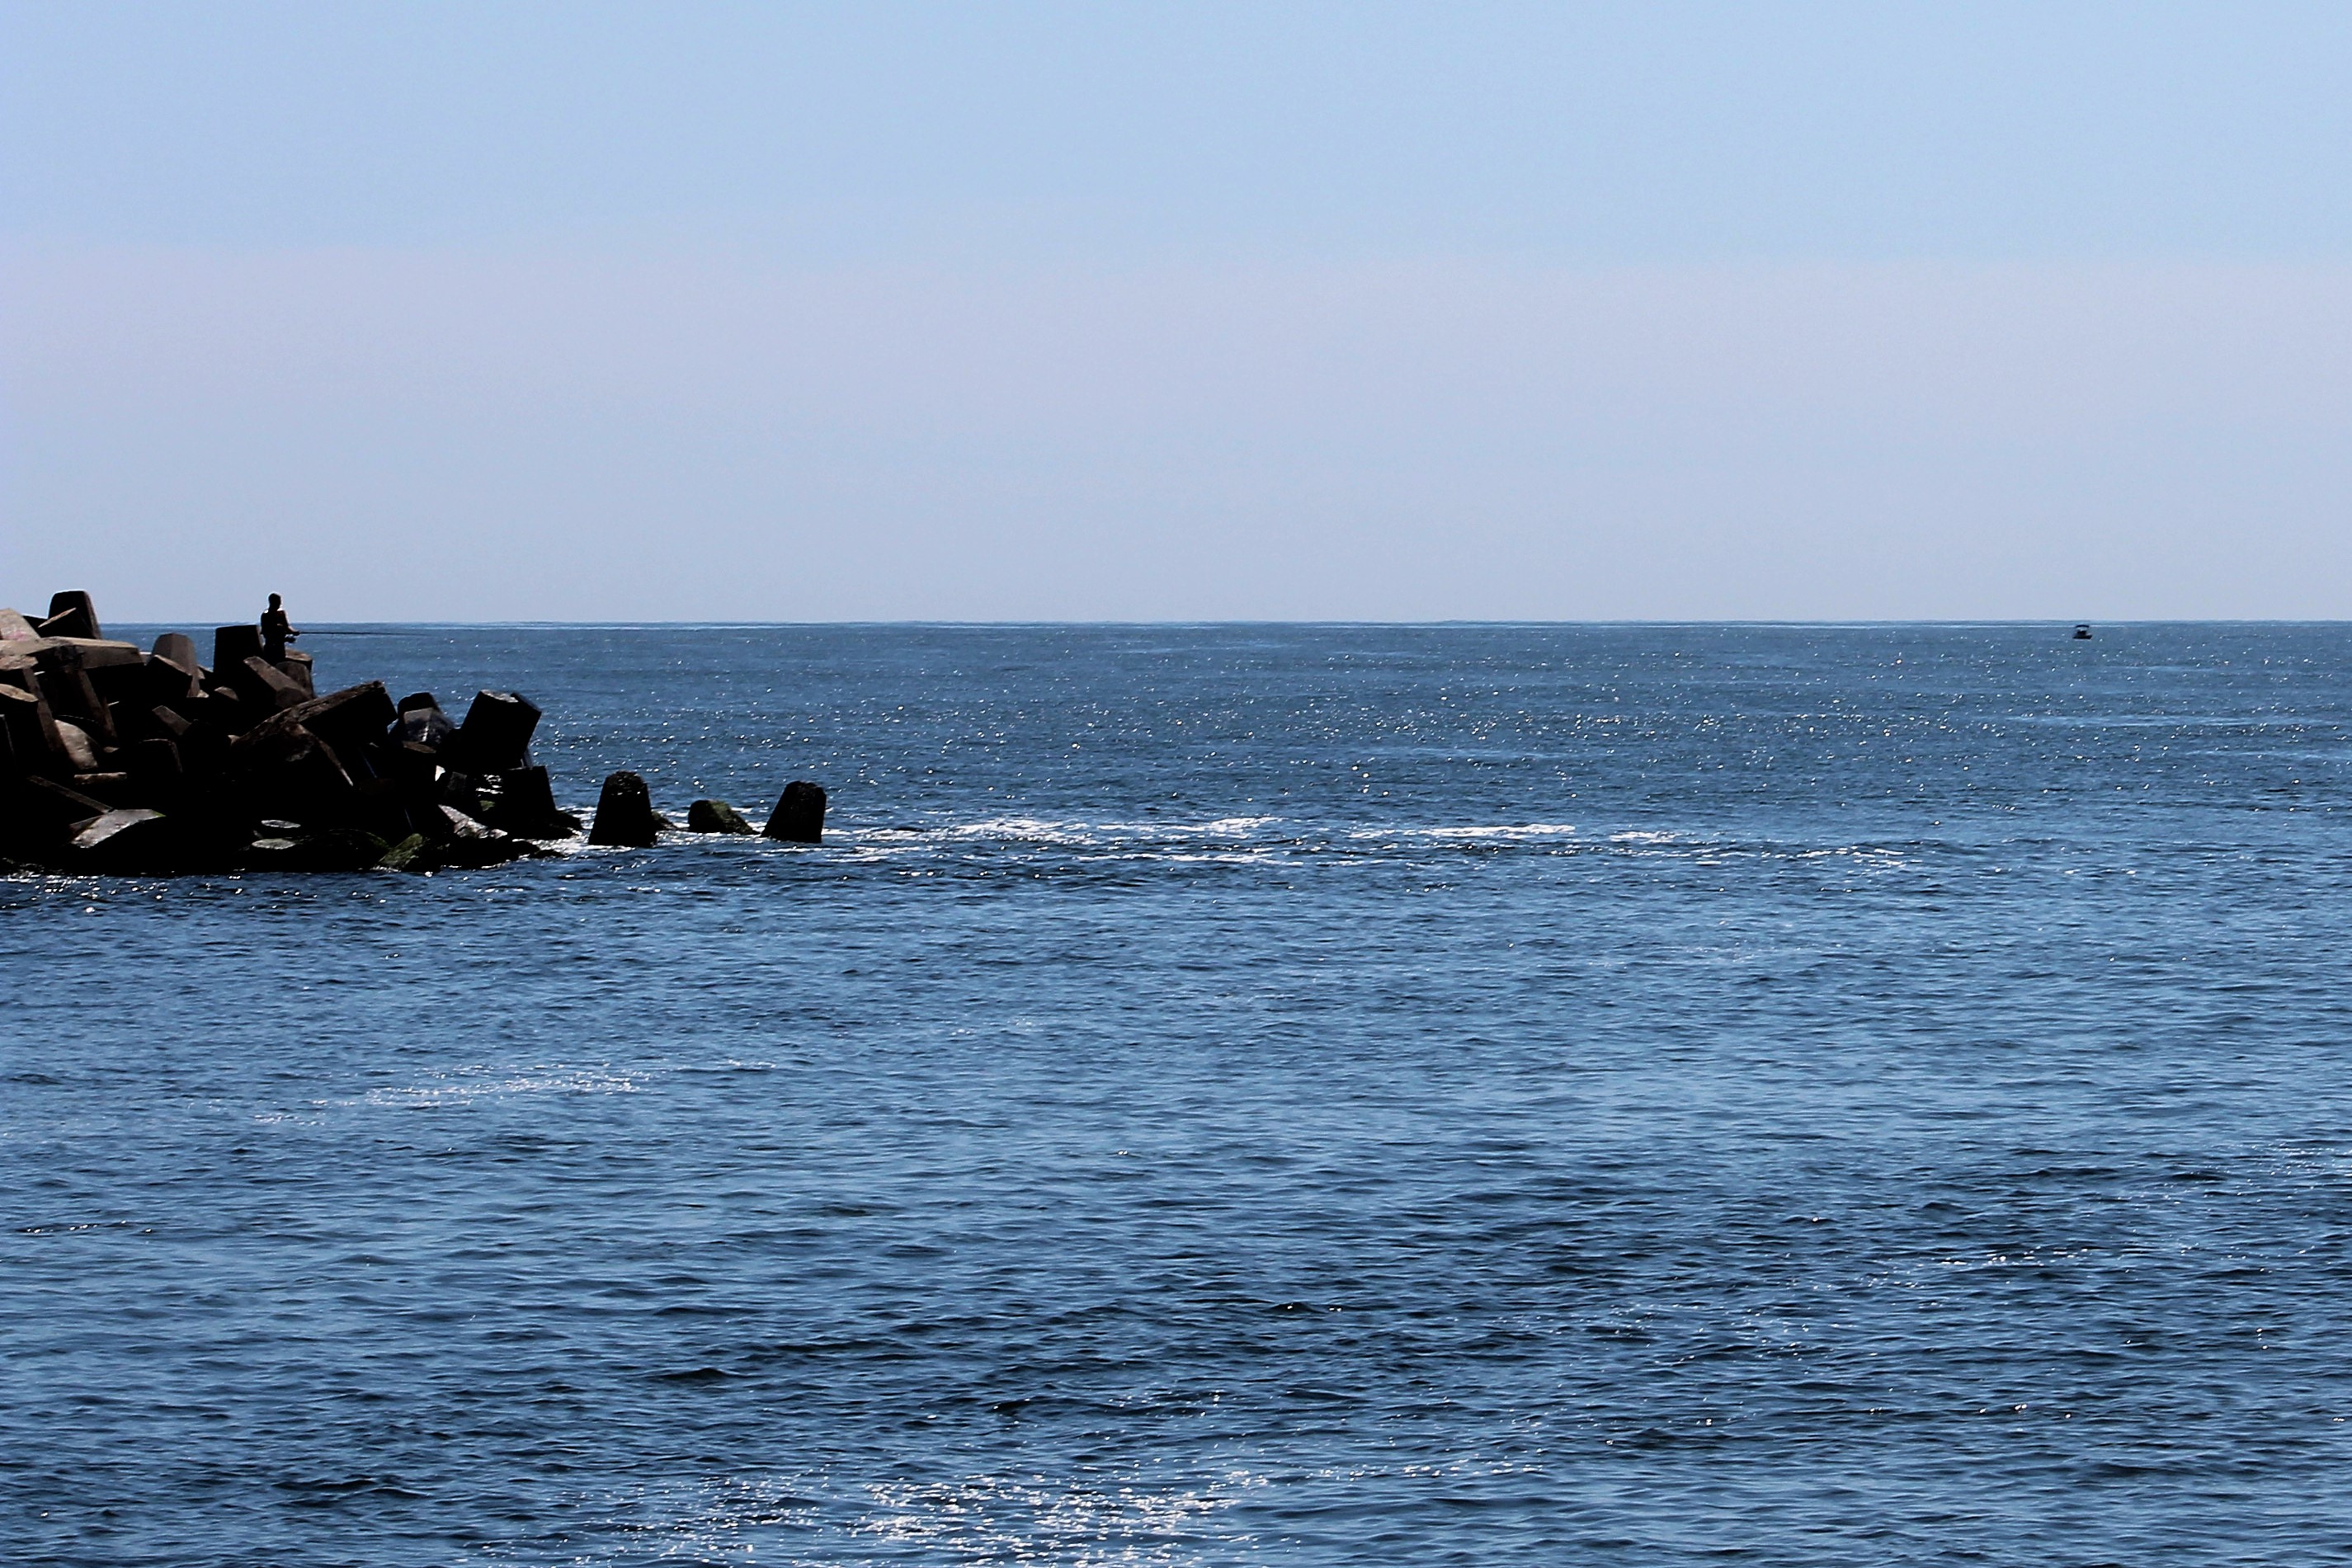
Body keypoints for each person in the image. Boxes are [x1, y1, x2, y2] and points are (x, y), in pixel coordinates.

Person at [260, 593, 299, 662]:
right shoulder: (266, 615)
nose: (280, 603)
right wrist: (286, 639)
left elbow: (287, 626)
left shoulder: (281, 613)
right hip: (271, 646)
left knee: (281, 661)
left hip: (280, 646)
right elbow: (268, 634)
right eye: (278, 601)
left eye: (280, 601)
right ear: (271, 602)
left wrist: (294, 632)